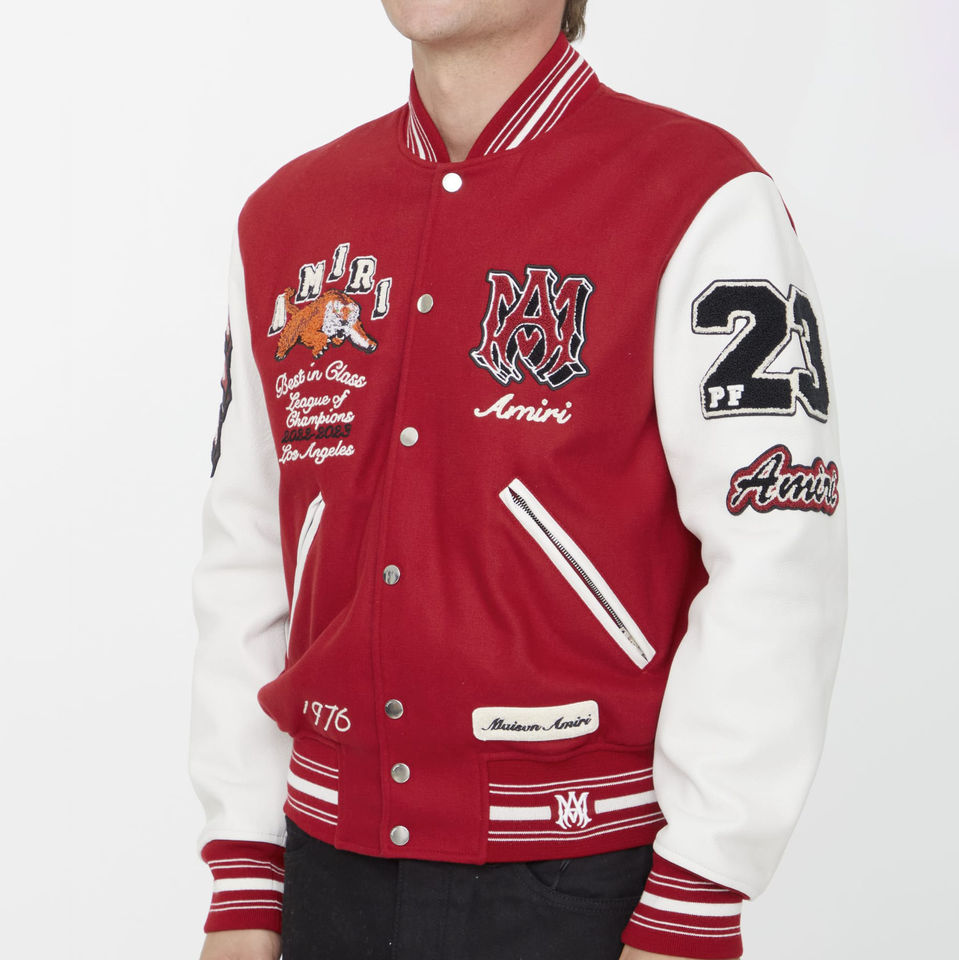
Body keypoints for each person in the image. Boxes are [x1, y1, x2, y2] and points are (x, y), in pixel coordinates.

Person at [190, 1, 846, 958]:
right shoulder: (288, 217)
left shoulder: (699, 196)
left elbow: (777, 549)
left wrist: (700, 890)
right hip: (324, 872)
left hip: (584, 883)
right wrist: (246, 872)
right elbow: (246, 551)